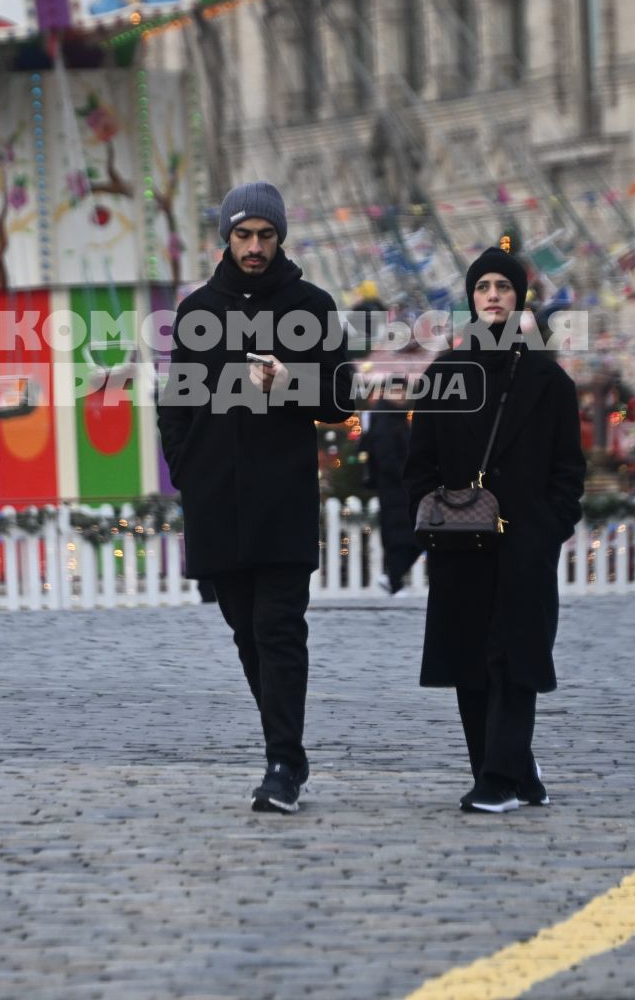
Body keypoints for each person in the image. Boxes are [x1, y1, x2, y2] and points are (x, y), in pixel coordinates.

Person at [156, 181, 350, 814]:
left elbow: (342, 398)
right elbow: (176, 402)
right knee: (245, 631)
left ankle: (283, 762)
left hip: (282, 499)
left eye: (266, 235)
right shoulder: (196, 311)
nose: (255, 247)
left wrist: (292, 380)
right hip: (215, 500)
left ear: (281, 237)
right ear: (226, 238)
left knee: (279, 629)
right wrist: (187, 470)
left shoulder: (311, 305)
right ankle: (284, 750)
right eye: (244, 235)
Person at [406, 247, 585, 813]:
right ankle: (501, 767)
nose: (492, 295)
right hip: (461, 541)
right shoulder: (445, 374)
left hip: (526, 541)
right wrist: (433, 513)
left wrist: (549, 527)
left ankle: (501, 778)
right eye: (483, 286)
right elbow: (420, 461)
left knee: (516, 658)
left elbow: (568, 469)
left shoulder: (548, 381)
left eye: (503, 287)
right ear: (469, 298)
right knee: (470, 661)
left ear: (519, 299)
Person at [359, 397, 419, 595]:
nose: (401, 396)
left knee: (408, 535)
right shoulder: (385, 419)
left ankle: (393, 578)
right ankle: (394, 579)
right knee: (402, 536)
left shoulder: (398, 419)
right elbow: (386, 456)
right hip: (394, 488)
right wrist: (406, 474)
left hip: (400, 488)